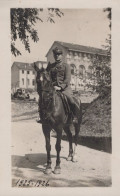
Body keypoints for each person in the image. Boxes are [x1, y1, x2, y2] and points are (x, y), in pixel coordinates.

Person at [37, 47, 79, 123]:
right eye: (55, 54)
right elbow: (47, 78)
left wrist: (60, 87)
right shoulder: (50, 66)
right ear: (54, 55)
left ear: (62, 55)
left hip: (65, 89)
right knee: (42, 99)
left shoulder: (66, 66)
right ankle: (41, 116)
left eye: (59, 54)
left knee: (71, 100)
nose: (57, 56)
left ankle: (74, 116)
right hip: (53, 89)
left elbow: (67, 79)